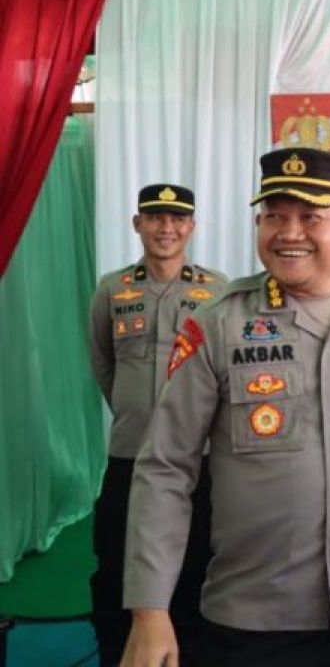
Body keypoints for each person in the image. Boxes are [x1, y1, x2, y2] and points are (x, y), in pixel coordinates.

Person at [120, 148, 330, 667]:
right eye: (274, 215)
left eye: (310, 217)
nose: (289, 232)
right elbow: (166, 466)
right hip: (252, 618)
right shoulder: (216, 324)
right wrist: (149, 608)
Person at [87, 183, 226, 666]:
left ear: (191, 227)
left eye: (177, 219)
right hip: (129, 456)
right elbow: (104, 365)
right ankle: (117, 652)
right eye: (156, 218)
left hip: (197, 461)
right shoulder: (112, 289)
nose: (167, 228)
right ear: (137, 224)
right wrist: (135, 414)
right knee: (115, 569)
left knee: (196, 568)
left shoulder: (216, 291)